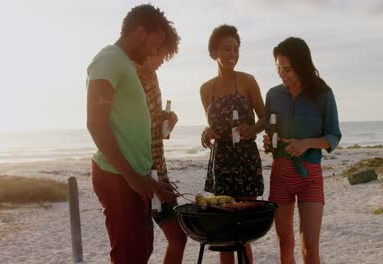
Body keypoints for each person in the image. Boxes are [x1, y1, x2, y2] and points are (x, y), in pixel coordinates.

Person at [86, 4, 177, 264]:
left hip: (134, 177)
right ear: (139, 32)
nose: (154, 51)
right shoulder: (109, 59)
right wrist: (132, 177)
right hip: (117, 177)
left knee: (140, 251)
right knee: (128, 256)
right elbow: (95, 122)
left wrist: (146, 178)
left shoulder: (124, 63)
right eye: (155, 42)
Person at [263, 37, 342, 264]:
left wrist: (306, 143)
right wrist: (269, 144)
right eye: (279, 68)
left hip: (310, 177)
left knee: (309, 247)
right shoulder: (273, 95)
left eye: (287, 69)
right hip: (280, 175)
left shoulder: (323, 94)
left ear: (301, 66)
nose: (282, 73)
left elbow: (333, 136)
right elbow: (271, 134)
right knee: (284, 243)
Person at [199, 24, 265, 264]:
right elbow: (212, 126)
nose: (232, 54)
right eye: (227, 49)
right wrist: (207, 132)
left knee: (244, 230)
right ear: (214, 51)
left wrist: (253, 128)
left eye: (236, 50)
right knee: (224, 231)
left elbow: (265, 118)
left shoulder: (248, 81)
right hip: (222, 163)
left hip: (246, 159)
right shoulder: (206, 89)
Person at [133, 26, 187, 264]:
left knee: (178, 236)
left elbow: (154, 131)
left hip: (159, 171)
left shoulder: (152, 76)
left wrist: (167, 121)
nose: (162, 61)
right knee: (141, 247)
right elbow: (129, 130)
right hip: (139, 176)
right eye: (159, 54)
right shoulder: (130, 77)